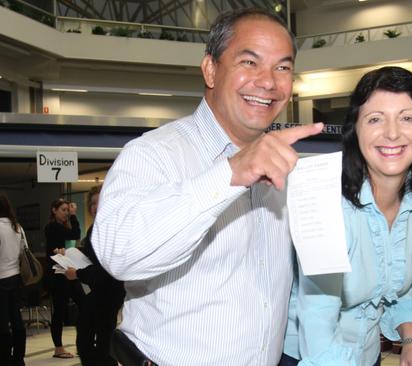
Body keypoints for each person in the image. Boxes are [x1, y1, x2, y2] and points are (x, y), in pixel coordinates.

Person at [91, 8, 324, 366]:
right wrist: (229, 173)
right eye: (250, 62)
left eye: (283, 67)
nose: (268, 81)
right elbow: (119, 253)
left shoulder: (285, 169)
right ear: (211, 70)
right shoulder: (154, 154)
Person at [280, 66, 412, 366]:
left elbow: (403, 288)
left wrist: (411, 342)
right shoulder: (325, 203)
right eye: (375, 119)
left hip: (366, 356)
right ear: (356, 131)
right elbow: (317, 317)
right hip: (312, 357)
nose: (392, 133)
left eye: (407, 118)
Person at [64, 186, 125, 365]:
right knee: (91, 336)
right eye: (92, 203)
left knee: (98, 339)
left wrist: (78, 274)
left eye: (100, 201)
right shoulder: (96, 229)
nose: (95, 207)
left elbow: (105, 268)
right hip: (100, 290)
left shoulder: (112, 228)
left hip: (109, 290)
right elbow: (92, 256)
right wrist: (70, 253)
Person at [44, 198, 84, 359]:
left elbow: (73, 236)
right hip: (58, 274)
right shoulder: (52, 226)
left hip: (68, 271)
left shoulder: (61, 227)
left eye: (68, 210)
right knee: (60, 311)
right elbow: (76, 233)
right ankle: (58, 348)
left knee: (84, 304)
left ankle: (83, 343)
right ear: (54, 210)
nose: (66, 213)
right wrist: (74, 215)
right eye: (63, 210)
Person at [0, 194, 27, 366]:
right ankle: (18, 358)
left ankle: (4, 357)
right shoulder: (17, 227)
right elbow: (24, 251)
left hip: (0, 278)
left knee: (2, 322)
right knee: (16, 318)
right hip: (16, 277)